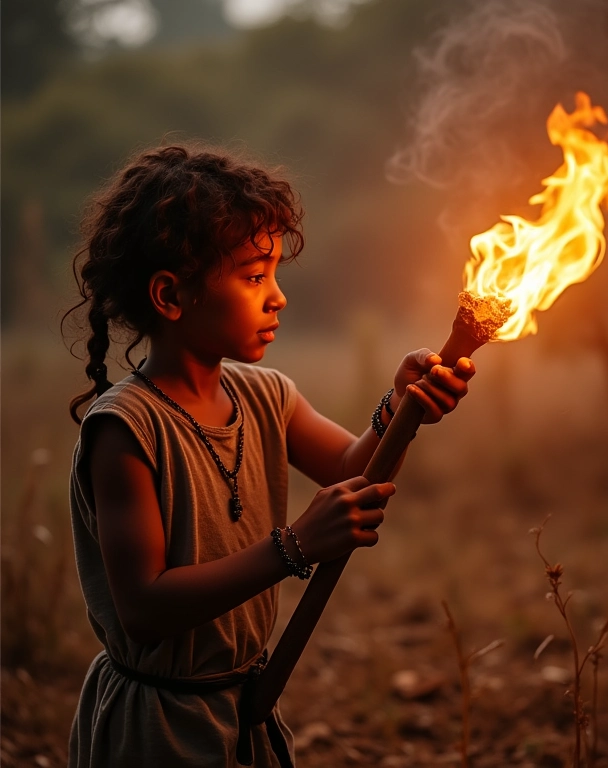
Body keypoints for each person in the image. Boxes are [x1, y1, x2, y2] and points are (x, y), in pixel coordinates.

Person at [64, 143, 475, 768]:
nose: (278, 296)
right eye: (255, 276)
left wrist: (400, 408)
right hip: (158, 727)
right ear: (171, 296)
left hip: (244, 708)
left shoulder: (266, 394)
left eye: (275, 273)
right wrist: (295, 547)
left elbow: (352, 469)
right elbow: (145, 609)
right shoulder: (126, 429)